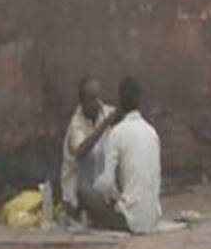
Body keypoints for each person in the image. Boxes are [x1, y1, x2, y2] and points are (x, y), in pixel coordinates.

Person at [80, 77, 162, 235]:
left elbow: (107, 183)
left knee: (83, 190)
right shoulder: (152, 132)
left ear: (120, 103)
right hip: (152, 218)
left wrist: (100, 192)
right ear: (139, 100)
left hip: (129, 220)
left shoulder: (117, 132)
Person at [60, 77, 115, 221]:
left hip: (101, 184)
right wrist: (104, 125)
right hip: (78, 187)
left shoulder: (106, 112)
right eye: (92, 98)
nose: (97, 102)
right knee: (94, 152)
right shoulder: (76, 124)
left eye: (98, 96)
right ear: (83, 101)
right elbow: (81, 151)